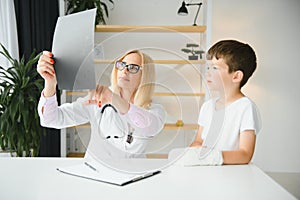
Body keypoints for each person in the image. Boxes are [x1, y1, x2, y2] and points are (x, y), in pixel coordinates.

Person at [37, 49, 166, 160]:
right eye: (122, 65)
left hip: (133, 176)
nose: (125, 70)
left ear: (145, 76)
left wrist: (114, 99)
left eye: (132, 67)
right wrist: (50, 83)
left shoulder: (153, 110)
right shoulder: (98, 100)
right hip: (97, 173)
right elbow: (51, 119)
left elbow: (149, 127)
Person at [170, 40, 261, 166]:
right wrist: (194, 151)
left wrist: (212, 157)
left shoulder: (245, 107)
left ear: (236, 76)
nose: (208, 73)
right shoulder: (207, 107)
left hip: (232, 175)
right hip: (207, 172)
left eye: (215, 68)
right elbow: (198, 141)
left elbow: (245, 154)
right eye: (208, 67)